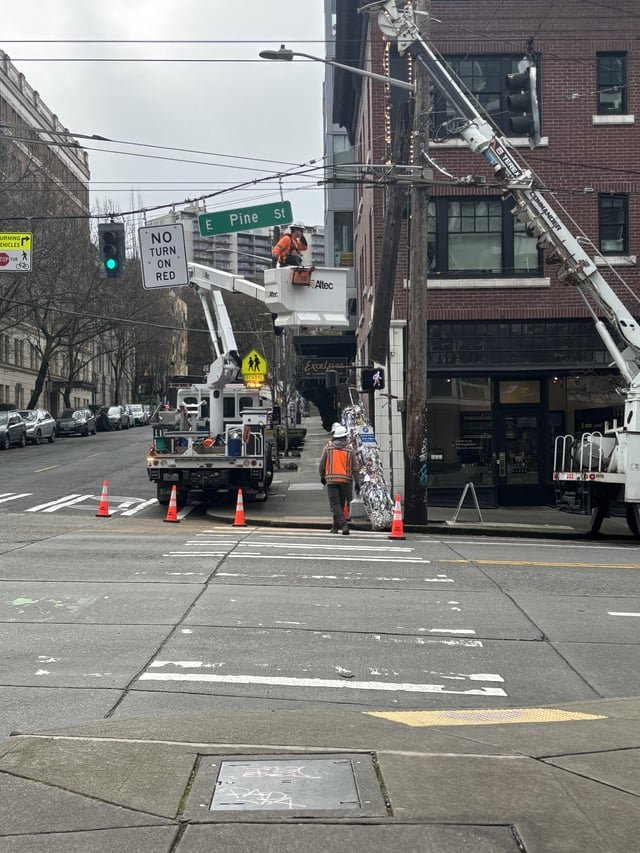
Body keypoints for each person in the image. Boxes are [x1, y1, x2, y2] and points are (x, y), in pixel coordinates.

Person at [318, 423, 357, 535]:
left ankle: (343, 525)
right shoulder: (350, 450)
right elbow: (355, 467)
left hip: (332, 480)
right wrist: (358, 482)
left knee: (335, 505)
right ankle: (335, 527)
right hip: (346, 481)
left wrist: (322, 476)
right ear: (345, 437)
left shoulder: (328, 448)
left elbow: (321, 464)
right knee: (341, 503)